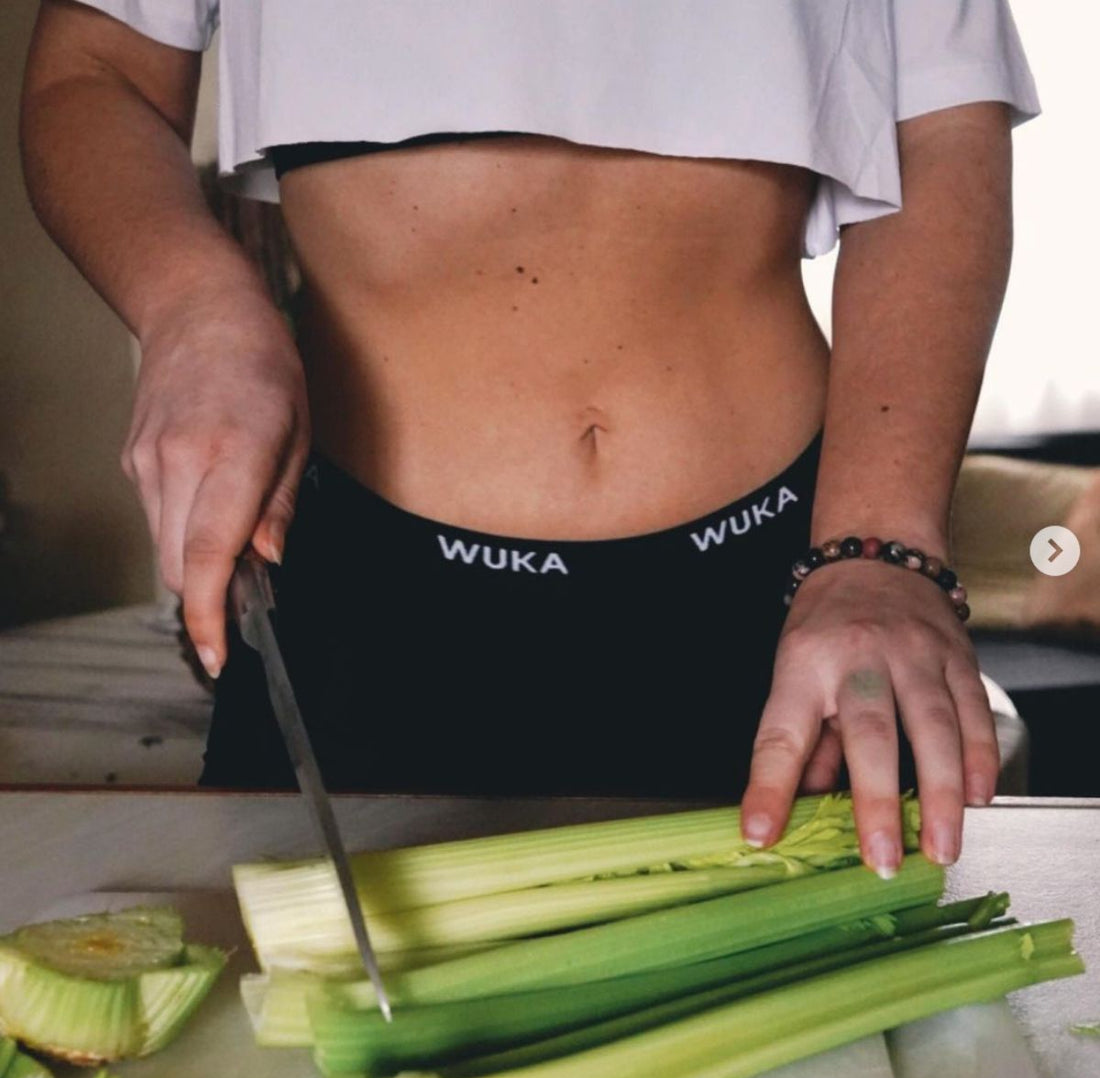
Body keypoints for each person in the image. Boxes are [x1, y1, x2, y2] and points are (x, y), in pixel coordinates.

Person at [19, 1, 1039, 878]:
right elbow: (94, 67)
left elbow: (938, 129)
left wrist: (876, 547)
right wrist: (192, 304)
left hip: (786, 593)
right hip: (363, 588)